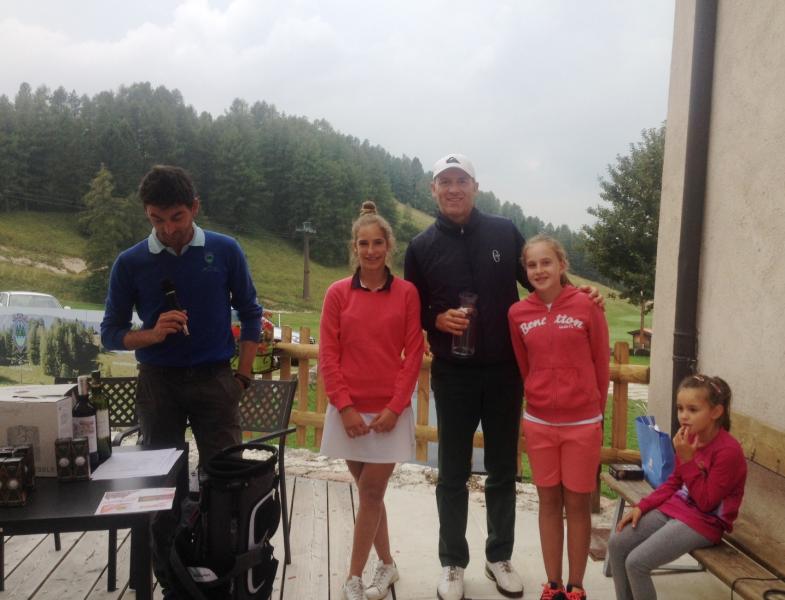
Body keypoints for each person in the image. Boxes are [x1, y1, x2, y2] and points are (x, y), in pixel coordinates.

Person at [405, 153, 603, 600]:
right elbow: (411, 306)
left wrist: (582, 295)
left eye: (461, 180)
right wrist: (436, 319)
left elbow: (541, 281)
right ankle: (453, 562)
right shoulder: (420, 246)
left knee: (501, 470)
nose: (453, 189)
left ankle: (499, 556)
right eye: (444, 181)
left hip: (504, 372)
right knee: (451, 472)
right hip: (453, 375)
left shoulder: (503, 230)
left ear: (475, 187)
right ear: (433, 189)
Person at [100, 164, 262, 598]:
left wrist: (242, 376)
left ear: (194, 207)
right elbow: (111, 333)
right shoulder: (130, 262)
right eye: (157, 219)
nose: (168, 229)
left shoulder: (225, 250)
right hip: (158, 383)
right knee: (158, 488)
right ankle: (171, 580)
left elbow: (251, 312)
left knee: (226, 483)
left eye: (176, 217)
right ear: (147, 213)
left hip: (216, 380)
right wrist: (151, 334)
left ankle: (223, 577)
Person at [319, 201, 425, 600]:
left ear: (389, 245)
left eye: (377, 243)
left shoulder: (407, 294)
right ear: (355, 247)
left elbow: (413, 354)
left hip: (388, 415)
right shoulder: (337, 293)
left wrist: (396, 407)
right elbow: (329, 354)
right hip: (348, 414)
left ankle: (353, 577)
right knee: (371, 495)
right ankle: (388, 563)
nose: (370, 250)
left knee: (369, 494)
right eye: (363, 243)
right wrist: (344, 408)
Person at [507, 235, 609, 600]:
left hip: (582, 424)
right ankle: (552, 584)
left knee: (577, 504)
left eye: (546, 262)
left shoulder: (587, 305)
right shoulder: (517, 313)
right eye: (532, 265)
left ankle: (576, 585)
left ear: (561, 265)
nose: (539, 270)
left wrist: (595, 413)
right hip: (539, 424)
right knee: (548, 502)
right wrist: (537, 396)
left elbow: (601, 362)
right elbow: (525, 366)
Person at [608, 374, 746, 600]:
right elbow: (674, 482)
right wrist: (642, 506)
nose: (683, 415)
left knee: (636, 563)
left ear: (716, 412)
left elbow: (706, 503)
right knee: (617, 543)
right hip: (676, 509)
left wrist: (688, 459)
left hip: (705, 522)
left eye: (692, 409)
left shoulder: (728, 452)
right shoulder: (689, 438)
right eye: (680, 408)